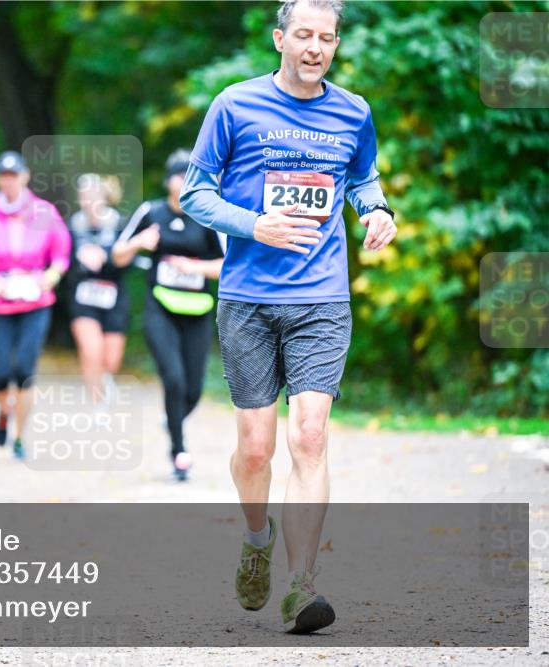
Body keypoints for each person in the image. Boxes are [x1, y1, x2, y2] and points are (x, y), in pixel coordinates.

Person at [180, 0, 397, 634]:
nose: (315, 47)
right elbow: (196, 193)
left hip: (322, 297)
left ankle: (302, 586)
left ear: (335, 46)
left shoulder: (353, 112)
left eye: (326, 37)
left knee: (309, 436)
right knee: (256, 449)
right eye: (303, 34)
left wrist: (376, 211)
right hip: (247, 298)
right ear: (280, 39)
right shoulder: (234, 105)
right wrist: (255, 225)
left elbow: (362, 178)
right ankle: (257, 540)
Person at [111, 150, 224, 482]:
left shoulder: (208, 215)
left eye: (190, 174)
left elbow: (228, 266)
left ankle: (172, 418)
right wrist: (139, 242)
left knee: (193, 389)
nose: (183, 180)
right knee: (173, 378)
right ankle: (179, 451)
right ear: (168, 180)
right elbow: (117, 255)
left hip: (197, 311)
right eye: (178, 174)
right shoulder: (151, 212)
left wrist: (194, 267)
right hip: (159, 307)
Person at [0, 151, 71, 460]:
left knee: (24, 370)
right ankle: (4, 409)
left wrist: (51, 276)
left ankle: (21, 437)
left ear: (25, 176)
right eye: (3, 176)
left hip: (35, 301)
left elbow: (61, 253)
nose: (9, 181)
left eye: (14, 175)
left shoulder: (43, 211)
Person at [66, 174, 128, 404]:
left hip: (114, 295)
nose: (88, 200)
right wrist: (79, 258)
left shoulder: (120, 224)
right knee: (92, 350)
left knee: (111, 359)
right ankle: (97, 404)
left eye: (92, 195)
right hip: (83, 295)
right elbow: (62, 259)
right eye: (84, 196)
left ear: (104, 197)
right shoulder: (73, 225)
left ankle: (105, 382)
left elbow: (129, 259)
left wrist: (106, 257)